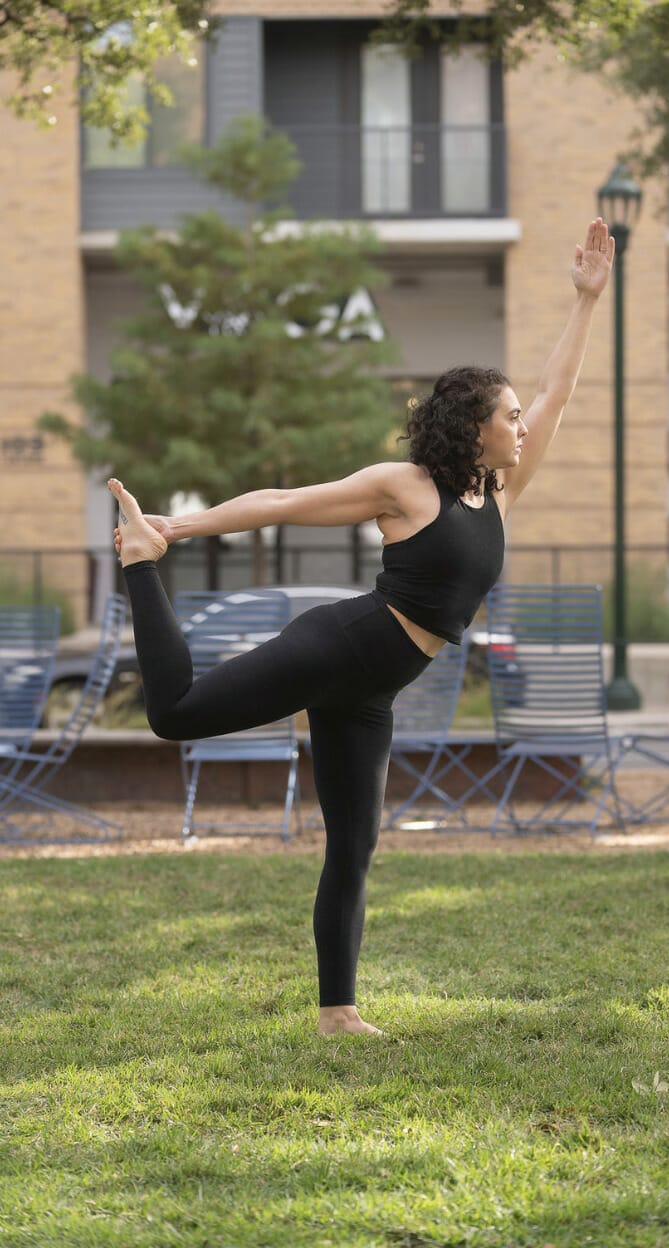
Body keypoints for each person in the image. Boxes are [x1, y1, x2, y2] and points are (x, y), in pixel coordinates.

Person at [108, 217, 615, 1036]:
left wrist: (586, 301)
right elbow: (283, 503)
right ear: (474, 424)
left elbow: (558, 393)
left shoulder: (500, 493)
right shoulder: (407, 487)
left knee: (354, 846)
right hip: (340, 645)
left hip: (373, 687)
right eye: (509, 415)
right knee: (175, 715)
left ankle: (336, 1013)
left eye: (522, 418)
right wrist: (173, 529)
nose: (524, 426)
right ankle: (138, 564)